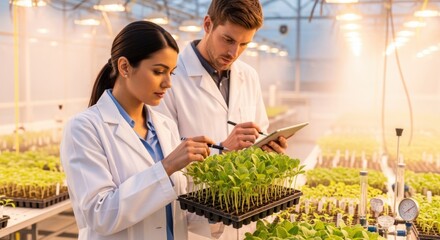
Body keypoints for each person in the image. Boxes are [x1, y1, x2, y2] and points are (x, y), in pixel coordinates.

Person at [60, 21, 214, 240]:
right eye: (158, 71)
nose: (168, 83)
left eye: (172, 72)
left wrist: (222, 207)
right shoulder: (84, 128)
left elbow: (175, 208)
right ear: (124, 67)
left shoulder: (165, 126)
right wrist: (166, 167)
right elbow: (99, 214)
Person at [155, 0, 287, 154]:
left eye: (244, 44)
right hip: (194, 179)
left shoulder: (249, 76)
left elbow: (260, 132)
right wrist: (223, 149)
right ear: (207, 25)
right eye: (228, 40)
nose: (234, 53)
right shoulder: (170, 76)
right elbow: (163, 153)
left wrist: (267, 149)